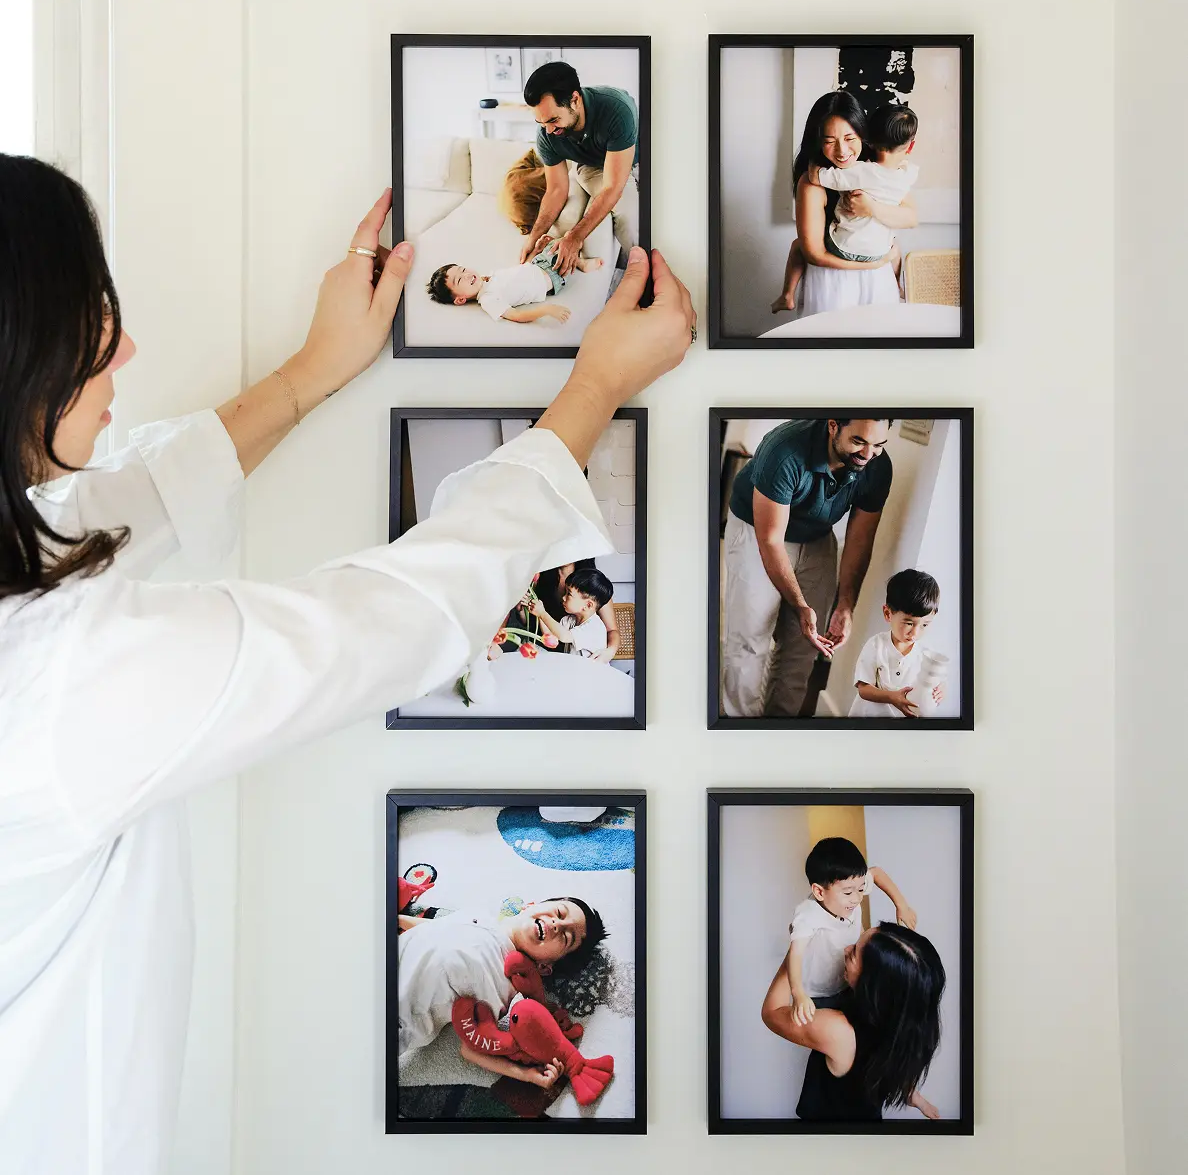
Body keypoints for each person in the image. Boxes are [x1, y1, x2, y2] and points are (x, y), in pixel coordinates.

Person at [0, 152, 694, 1172]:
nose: (124, 346)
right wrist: (595, 387)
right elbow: (396, 620)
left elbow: (114, 504)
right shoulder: (54, 676)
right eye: (90, 318)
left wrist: (314, 368)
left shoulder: (27, 588)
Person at [721, 418, 893, 718]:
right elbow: (770, 540)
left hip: (816, 536)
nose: (868, 454)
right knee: (750, 642)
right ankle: (741, 729)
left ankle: (779, 727)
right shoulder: (784, 451)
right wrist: (799, 604)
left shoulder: (877, 466)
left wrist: (845, 605)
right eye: (858, 442)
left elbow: (860, 540)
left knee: (804, 647)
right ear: (833, 426)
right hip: (758, 531)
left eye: (878, 445)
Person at [396, 897, 605, 1088]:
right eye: (559, 912)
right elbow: (435, 928)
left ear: (544, 967)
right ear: (531, 905)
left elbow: (472, 1047)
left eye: (566, 937)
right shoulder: (477, 913)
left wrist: (526, 1074)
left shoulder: (503, 986)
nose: (556, 924)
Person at [762, 922, 945, 1121]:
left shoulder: (836, 1030)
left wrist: (797, 950)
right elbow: (889, 1063)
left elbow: (772, 1013)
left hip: (830, 1136)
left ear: (871, 983)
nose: (846, 949)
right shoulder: (903, 1019)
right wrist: (913, 1095)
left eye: (853, 954)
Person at [770, 92, 916, 317]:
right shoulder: (812, 183)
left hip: (879, 279)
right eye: (830, 141)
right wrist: (874, 263)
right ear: (818, 141)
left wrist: (870, 207)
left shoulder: (875, 170)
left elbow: (910, 216)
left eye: (849, 138)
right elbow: (815, 254)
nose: (842, 151)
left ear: (864, 135)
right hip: (835, 282)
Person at [518, 61, 640, 275]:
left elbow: (613, 187)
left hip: (638, 158)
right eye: (541, 123)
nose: (548, 130)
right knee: (629, 214)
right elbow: (556, 190)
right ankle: (639, 275)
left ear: (575, 100)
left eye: (553, 120)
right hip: (593, 166)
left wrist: (574, 238)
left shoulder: (616, 108)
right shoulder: (547, 134)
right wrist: (533, 238)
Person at [786, 837, 917, 1026]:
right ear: (820, 892)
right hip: (819, 994)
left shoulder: (852, 885)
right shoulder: (808, 915)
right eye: (848, 893)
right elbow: (796, 954)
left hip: (849, 981)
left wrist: (901, 905)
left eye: (861, 889)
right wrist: (798, 993)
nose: (857, 898)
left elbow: (877, 873)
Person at [425, 237, 604, 325]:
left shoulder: (489, 279)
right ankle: (580, 263)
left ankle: (568, 254)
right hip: (552, 276)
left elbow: (522, 271)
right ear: (460, 299)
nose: (466, 275)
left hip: (538, 263)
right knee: (567, 244)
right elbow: (517, 316)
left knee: (556, 241)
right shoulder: (488, 300)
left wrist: (537, 250)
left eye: (463, 270)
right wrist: (547, 310)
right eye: (459, 280)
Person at [850, 568, 945, 718]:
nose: (915, 633)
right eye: (909, 623)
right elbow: (863, 689)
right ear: (888, 613)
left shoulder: (926, 654)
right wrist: (891, 697)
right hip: (868, 720)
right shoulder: (876, 645)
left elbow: (935, 682)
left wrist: (940, 690)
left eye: (925, 625)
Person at [531, 566, 614, 659]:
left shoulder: (593, 627)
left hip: (591, 668)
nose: (563, 597)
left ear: (588, 605)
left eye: (569, 594)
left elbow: (564, 636)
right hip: (574, 666)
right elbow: (551, 635)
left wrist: (542, 613)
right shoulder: (569, 620)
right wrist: (539, 615)